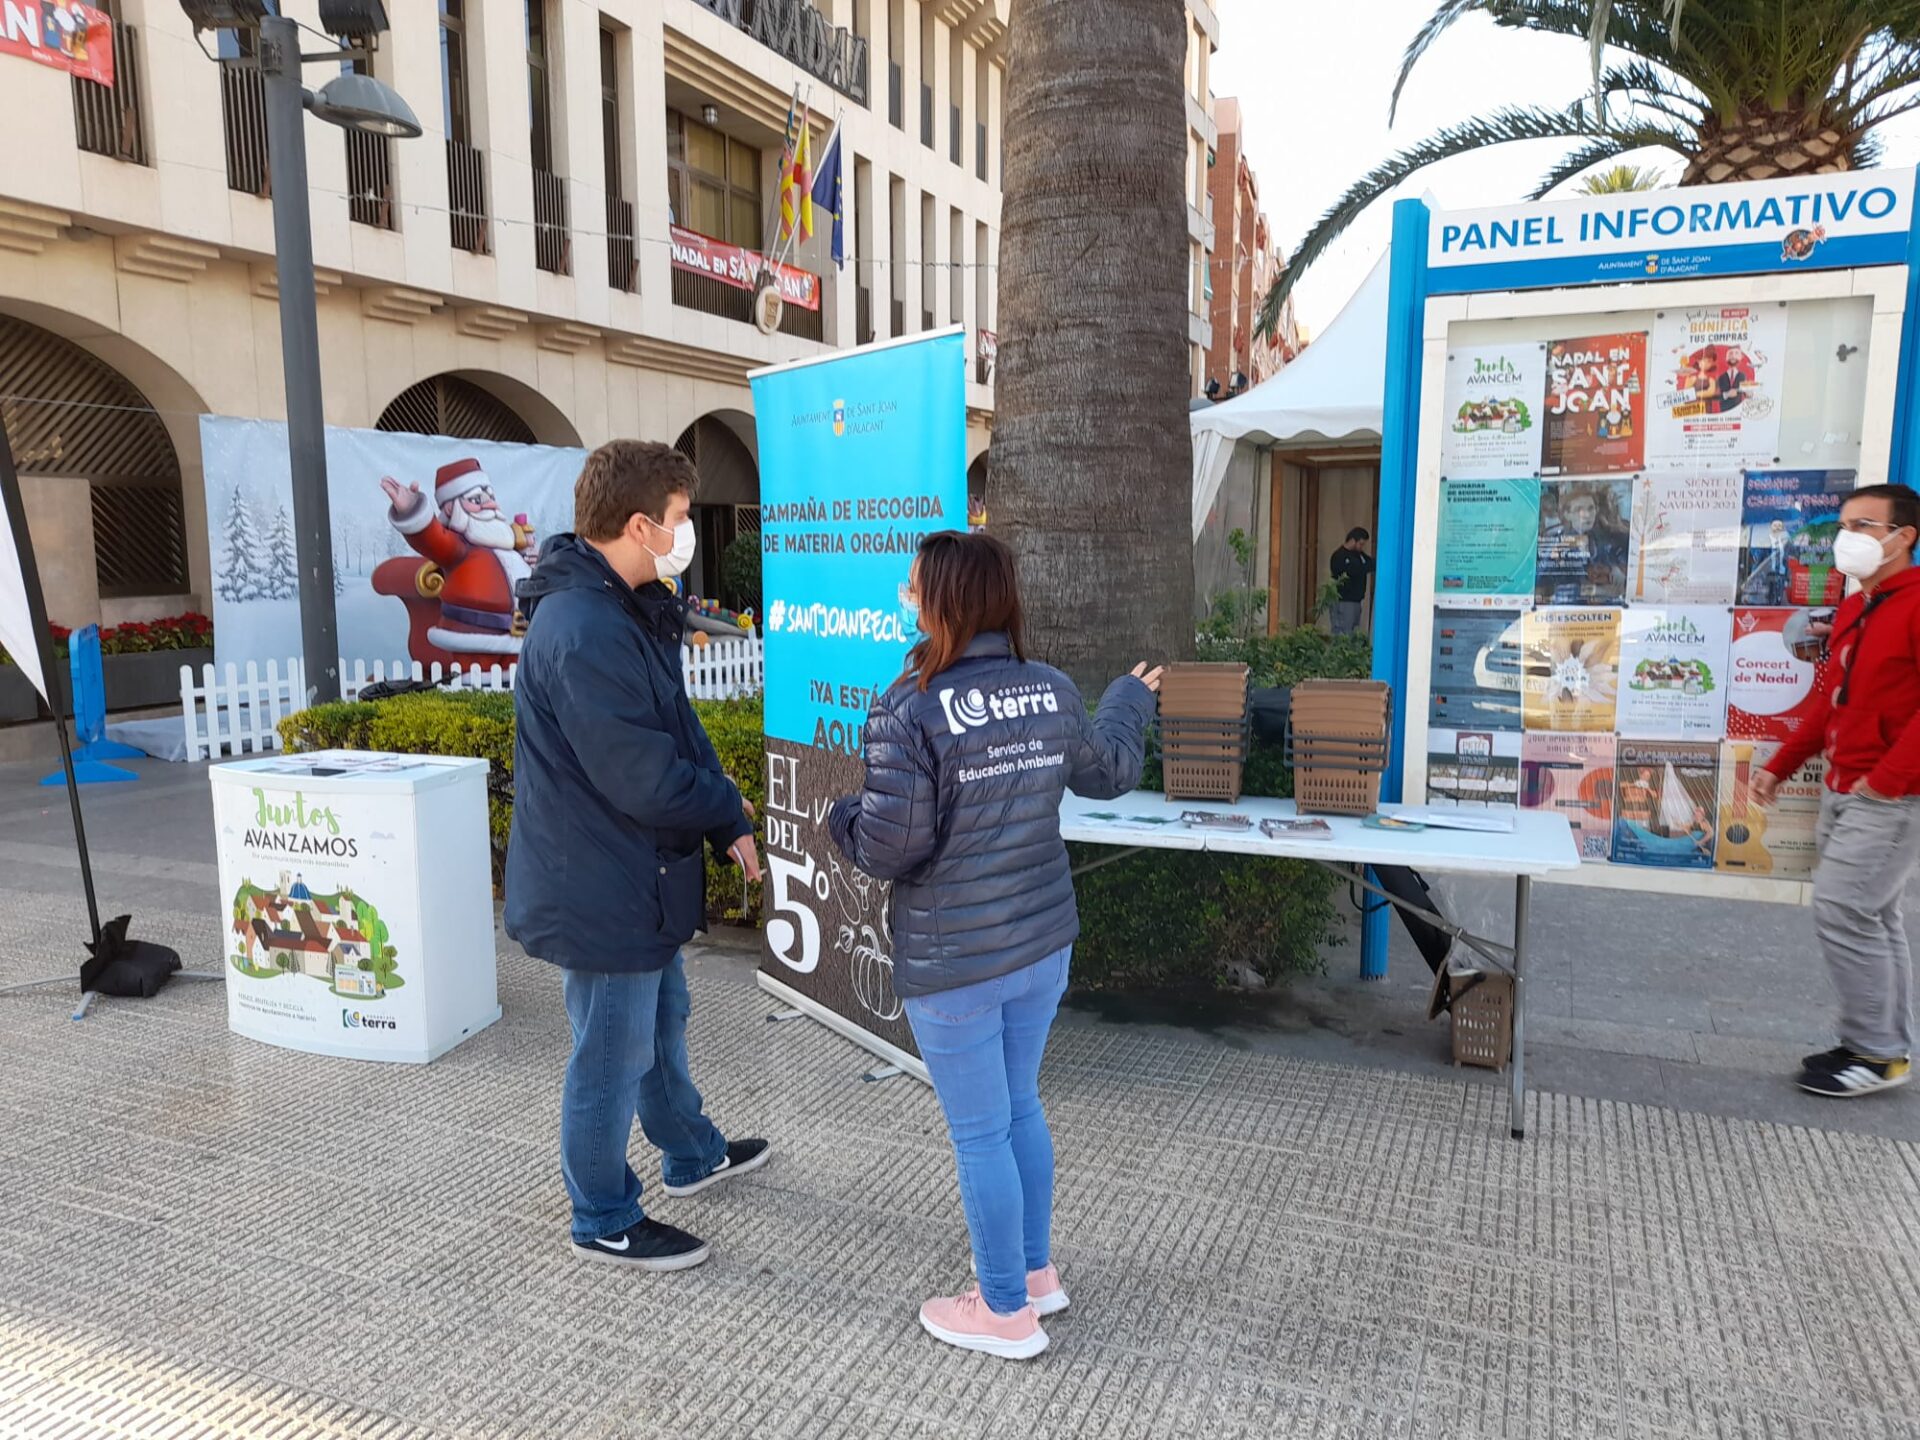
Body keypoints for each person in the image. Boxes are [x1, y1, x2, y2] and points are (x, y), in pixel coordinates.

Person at [828, 532, 1159, 1361]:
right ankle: (1035, 1276)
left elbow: (891, 845)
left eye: (912, 586)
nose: (905, 596)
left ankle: (1005, 1310)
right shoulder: (1049, 689)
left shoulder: (909, 707)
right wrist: (1128, 698)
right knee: (1018, 1108)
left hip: (957, 962)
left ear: (941, 600)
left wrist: (841, 818)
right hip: (1041, 943)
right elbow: (1110, 771)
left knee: (982, 1134)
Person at [505, 440, 769, 1269]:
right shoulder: (585, 629)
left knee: (660, 1022)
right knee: (611, 1056)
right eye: (682, 518)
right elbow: (644, 776)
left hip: (632, 875)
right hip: (600, 883)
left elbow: (676, 727)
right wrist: (718, 805)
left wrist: (723, 814)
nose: (687, 534)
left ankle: (690, 1152)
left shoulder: (626, 606)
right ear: (638, 525)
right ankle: (602, 1215)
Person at [1753, 482, 1920, 1099]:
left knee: (1843, 909)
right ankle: (1880, 1047)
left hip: (1890, 796)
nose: (1847, 538)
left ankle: (1875, 1054)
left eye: (1864, 526)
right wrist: (1781, 764)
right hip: (1844, 786)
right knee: (1874, 915)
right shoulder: (1857, 606)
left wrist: (1886, 782)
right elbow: (1831, 698)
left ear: (1903, 536)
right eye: (1844, 526)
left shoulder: (1915, 604)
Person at [1329, 528, 1374, 636]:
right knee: (1344, 633)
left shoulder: (1359, 555)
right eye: (1360, 544)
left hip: (1356, 600)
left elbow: (1370, 564)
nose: (1361, 547)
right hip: (1344, 600)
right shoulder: (1339, 556)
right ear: (1353, 540)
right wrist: (1364, 567)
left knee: (1353, 633)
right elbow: (1354, 571)